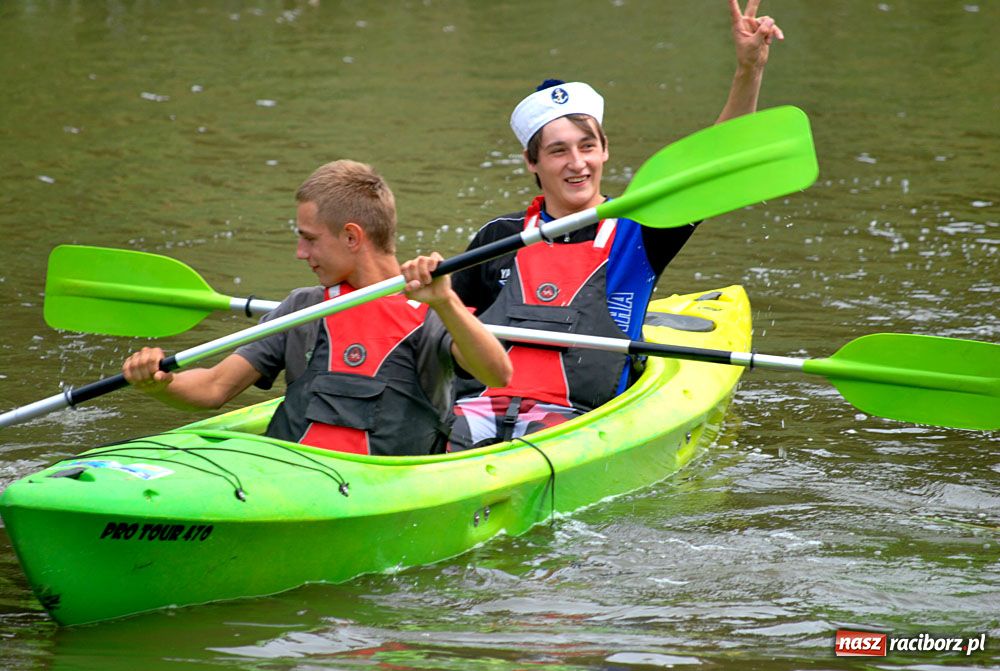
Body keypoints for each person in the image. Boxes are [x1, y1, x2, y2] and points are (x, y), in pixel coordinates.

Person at [448, 0, 783, 450]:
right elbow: (445, 332)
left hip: (580, 422)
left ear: (605, 150)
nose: (577, 163)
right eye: (559, 151)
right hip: (476, 411)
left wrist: (749, 70)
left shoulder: (641, 227)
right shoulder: (497, 237)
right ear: (532, 162)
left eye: (588, 147)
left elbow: (717, 163)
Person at [123, 159, 512, 456]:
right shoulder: (303, 307)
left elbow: (497, 373)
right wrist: (160, 384)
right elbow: (213, 388)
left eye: (309, 239)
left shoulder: (432, 309)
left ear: (351, 236)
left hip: (385, 486)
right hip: (291, 473)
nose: (300, 253)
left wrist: (446, 302)